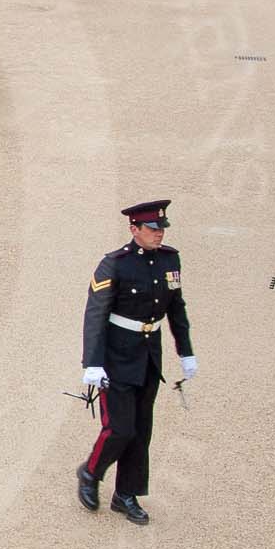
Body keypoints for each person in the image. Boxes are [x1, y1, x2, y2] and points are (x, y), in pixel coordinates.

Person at [76, 199, 195, 525]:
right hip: (116, 357)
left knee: (141, 431)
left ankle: (126, 494)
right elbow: (96, 314)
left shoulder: (170, 260)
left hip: (147, 357)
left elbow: (176, 308)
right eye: (152, 229)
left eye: (161, 229)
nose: (158, 235)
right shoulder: (115, 264)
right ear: (134, 229)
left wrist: (186, 351)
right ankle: (90, 472)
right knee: (119, 428)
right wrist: (93, 362)